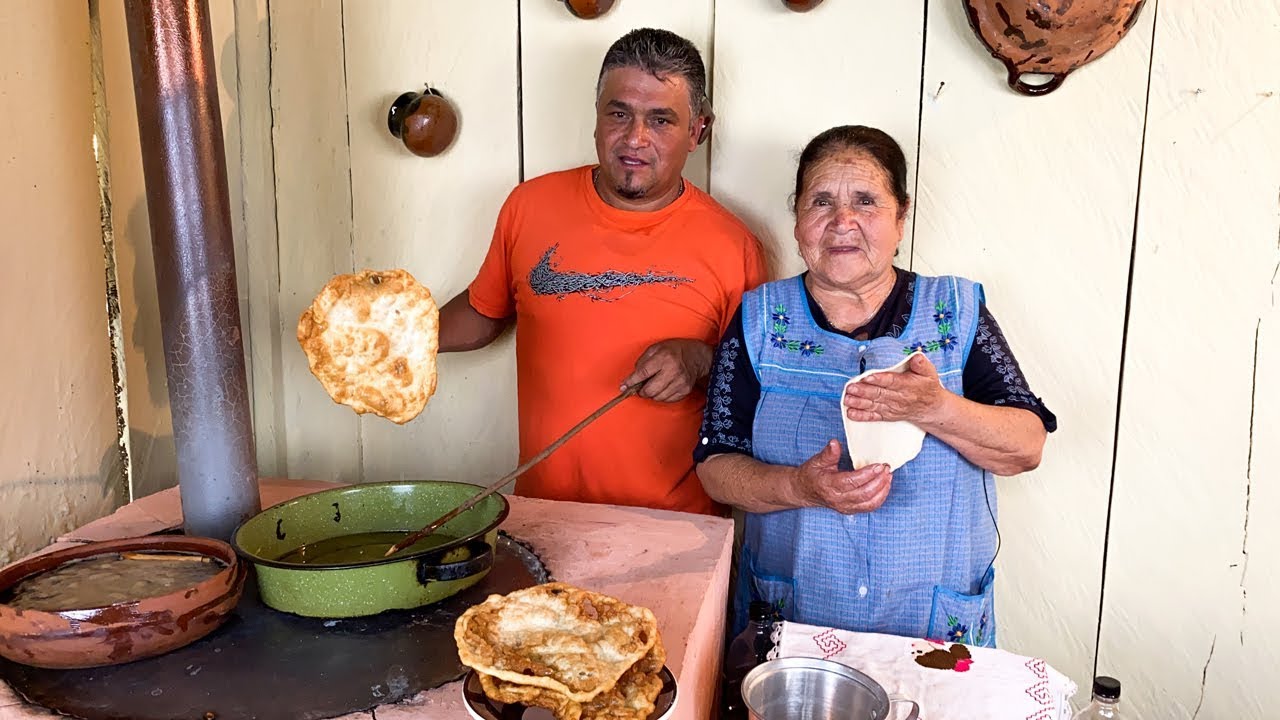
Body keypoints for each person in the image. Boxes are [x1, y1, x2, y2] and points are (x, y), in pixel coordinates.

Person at [694, 125, 1056, 646]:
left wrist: (935, 409)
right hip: (793, 624)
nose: (842, 221)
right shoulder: (758, 319)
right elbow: (715, 467)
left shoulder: (956, 313)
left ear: (901, 216)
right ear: (798, 217)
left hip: (929, 627)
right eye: (821, 201)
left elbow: (1026, 447)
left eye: (866, 201)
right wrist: (799, 487)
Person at [437, 28, 767, 516]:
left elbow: (759, 387)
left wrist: (699, 361)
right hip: (544, 517)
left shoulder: (733, 244)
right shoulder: (530, 206)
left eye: (661, 120)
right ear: (596, 115)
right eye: (619, 113)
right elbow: (485, 312)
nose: (635, 138)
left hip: (674, 530)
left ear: (699, 130)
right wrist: (395, 337)